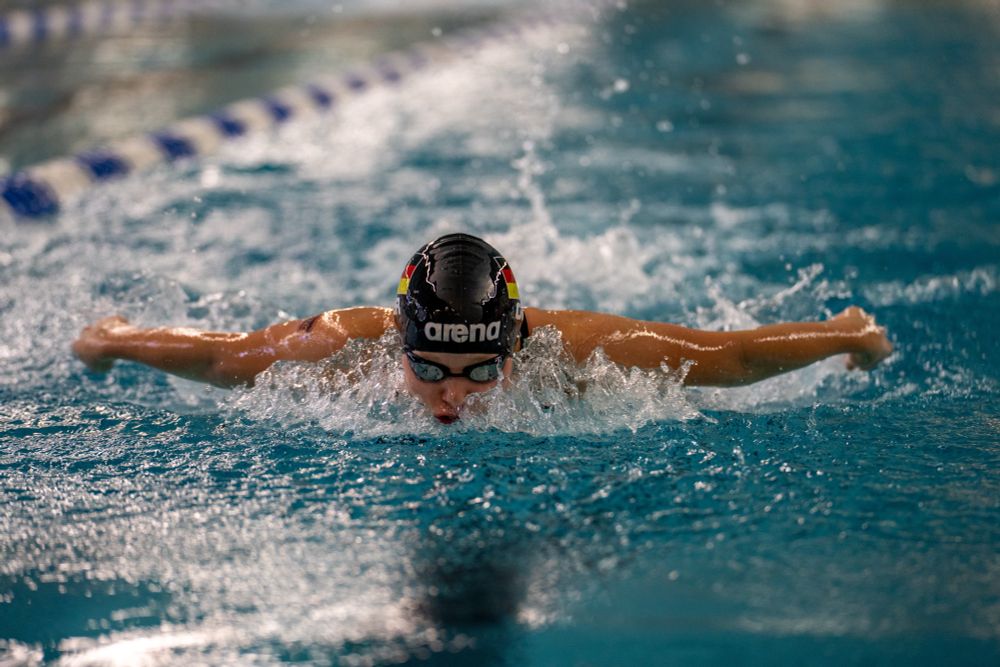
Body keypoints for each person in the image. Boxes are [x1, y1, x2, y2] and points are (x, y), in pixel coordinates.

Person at [72, 233, 892, 424]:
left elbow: (729, 354)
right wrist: (110, 338)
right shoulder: (342, 345)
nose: (452, 399)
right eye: (429, 370)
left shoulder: (571, 351)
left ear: (513, 348)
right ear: (398, 343)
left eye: (478, 374)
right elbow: (224, 358)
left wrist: (847, 332)